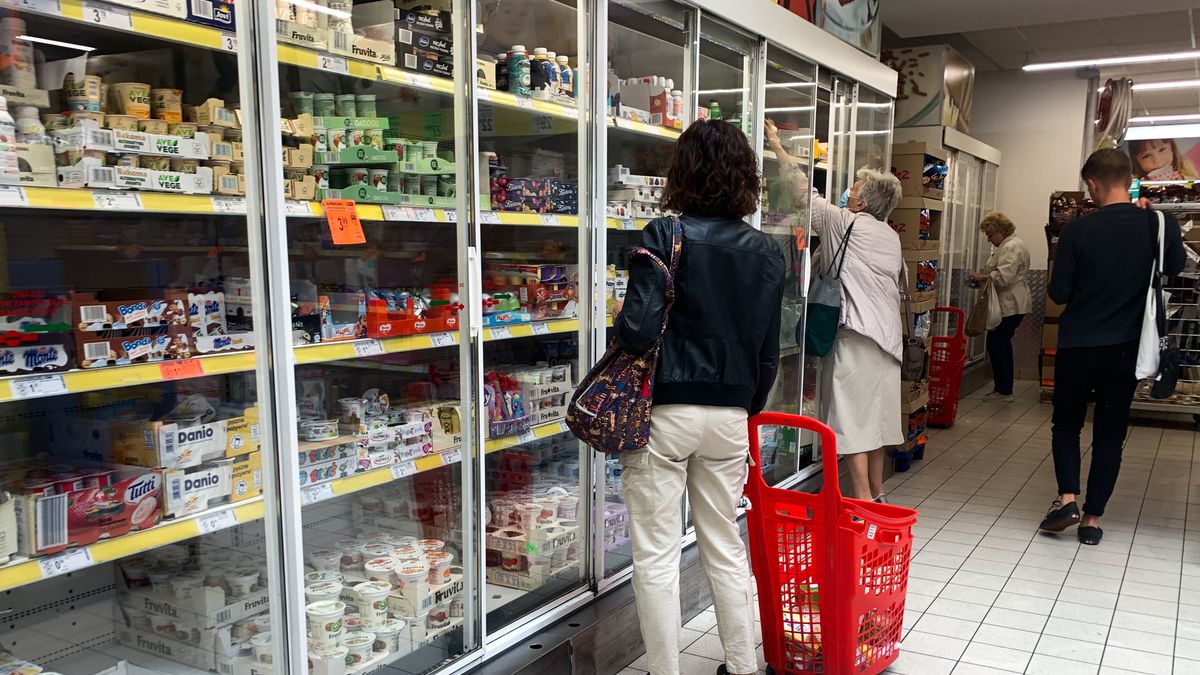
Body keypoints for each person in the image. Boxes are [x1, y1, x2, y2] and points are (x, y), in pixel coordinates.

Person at [613, 119, 785, 675]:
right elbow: (768, 349)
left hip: (664, 411)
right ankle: (741, 666)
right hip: (730, 413)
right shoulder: (765, 251)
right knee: (724, 546)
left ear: (682, 171)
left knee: (657, 556)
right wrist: (743, 405)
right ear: (745, 179)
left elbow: (636, 332)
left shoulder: (664, 235)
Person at [1040, 148, 1186, 545]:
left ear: (1092, 184)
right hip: (1126, 347)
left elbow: (1058, 292)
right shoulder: (1159, 223)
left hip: (1077, 345)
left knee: (1067, 425)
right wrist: (1154, 218)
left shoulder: (1076, 230)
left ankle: (1067, 498)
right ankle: (1091, 521)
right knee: (1109, 435)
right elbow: (1175, 268)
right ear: (1129, 178)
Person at [766, 119, 904, 503]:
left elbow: (801, 192)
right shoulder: (890, 236)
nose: (846, 194)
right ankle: (877, 495)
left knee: (850, 425)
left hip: (856, 339)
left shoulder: (844, 223)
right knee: (874, 425)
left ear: (861, 202)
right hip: (888, 344)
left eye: (853, 190)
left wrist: (776, 144)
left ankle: (859, 501)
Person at [969, 211, 1032, 402]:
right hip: (1011, 303)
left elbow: (1004, 277)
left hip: (1010, 304)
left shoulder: (1011, 247)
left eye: (990, 235)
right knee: (998, 343)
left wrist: (983, 277)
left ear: (1000, 231)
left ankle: (1004, 390)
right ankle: (1003, 387)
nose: (989, 240)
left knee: (998, 344)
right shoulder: (1011, 245)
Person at [1128, 138, 1200, 181]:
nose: (1157, 161)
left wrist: (1184, 180)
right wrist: (1141, 189)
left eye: (1162, 150)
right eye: (1146, 156)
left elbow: (1196, 184)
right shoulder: (1134, 179)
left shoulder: (1184, 165)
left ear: (1172, 147)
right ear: (1136, 161)